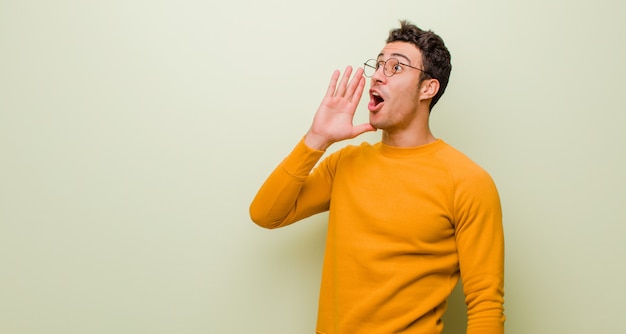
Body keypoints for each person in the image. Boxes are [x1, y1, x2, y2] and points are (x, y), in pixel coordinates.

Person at [249, 20, 505, 334]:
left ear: (428, 88)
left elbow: (485, 304)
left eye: (396, 67)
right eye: (379, 64)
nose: (379, 74)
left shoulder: (468, 181)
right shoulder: (345, 163)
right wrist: (316, 139)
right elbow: (266, 214)